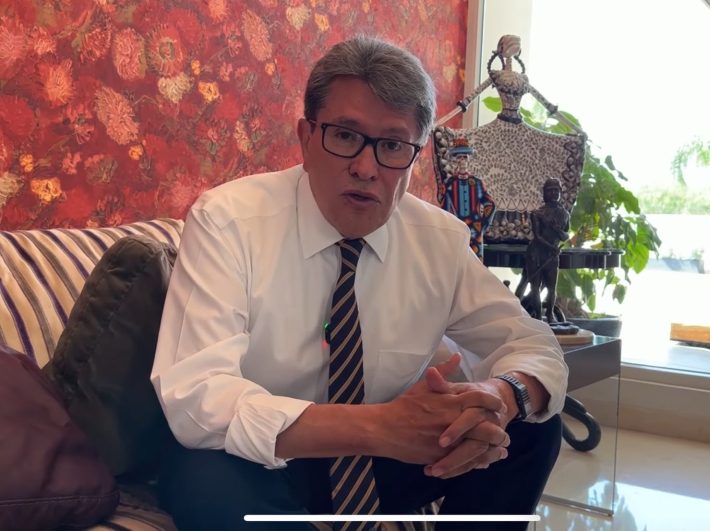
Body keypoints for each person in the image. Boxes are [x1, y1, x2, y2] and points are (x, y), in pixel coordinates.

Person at [151, 36, 567, 531]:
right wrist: (376, 427)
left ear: (414, 157)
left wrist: (499, 397)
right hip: (269, 458)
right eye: (345, 136)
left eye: (392, 146)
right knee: (204, 479)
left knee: (530, 429)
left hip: (387, 460)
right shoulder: (228, 222)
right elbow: (197, 394)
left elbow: (532, 343)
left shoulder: (439, 241)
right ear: (306, 138)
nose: (366, 168)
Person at [515, 178, 571, 322]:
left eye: (556, 190)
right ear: (544, 193)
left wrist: (557, 230)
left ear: (560, 192)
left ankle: (550, 315)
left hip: (552, 256)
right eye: (550, 191)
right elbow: (538, 236)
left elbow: (565, 236)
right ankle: (538, 316)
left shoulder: (565, 214)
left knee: (552, 288)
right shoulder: (537, 213)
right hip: (536, 254)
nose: (553, 193)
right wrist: (552, 247)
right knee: (535, 287)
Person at [437, 138, 496, 260]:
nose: (462, 160)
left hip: (475, 230)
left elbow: (490, 204)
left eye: (465, 157)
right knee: (454, 259)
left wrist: (483, 225)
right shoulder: (449, 183)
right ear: (455, 160)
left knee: (475, 262)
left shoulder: (477, 182)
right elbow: (443, 207)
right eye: (459, 157)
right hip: (455, 228)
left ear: (469, 159)